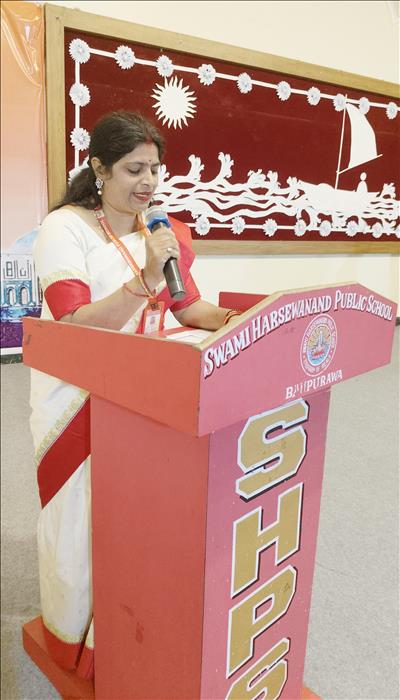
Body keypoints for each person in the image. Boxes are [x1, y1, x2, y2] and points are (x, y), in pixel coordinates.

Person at [29, 110, 239, 679]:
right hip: (78, 399)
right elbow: (73, 322)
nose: (149, 182)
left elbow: (187, 307)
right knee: (82, 524)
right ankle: (73, 640)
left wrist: (240, 319)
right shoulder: (65, 228)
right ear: (99, 168)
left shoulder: (162, 231)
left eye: (155, 169)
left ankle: (129, 633)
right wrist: (143, 277)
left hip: (144, 397)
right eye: (133, 169)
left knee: (137, 522)